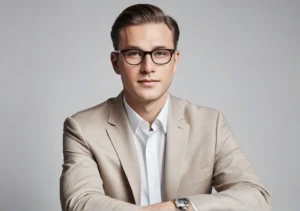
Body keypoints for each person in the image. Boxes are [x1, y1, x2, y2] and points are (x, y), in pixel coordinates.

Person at [60, 4, 271, 211]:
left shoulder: (210, 124)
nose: (148, 67)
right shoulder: (83, 128)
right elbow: (80, 202)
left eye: (160, 53)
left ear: (175, 61)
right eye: (134, 53)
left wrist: (181, 207)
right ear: (116, 63)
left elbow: (256, 198)